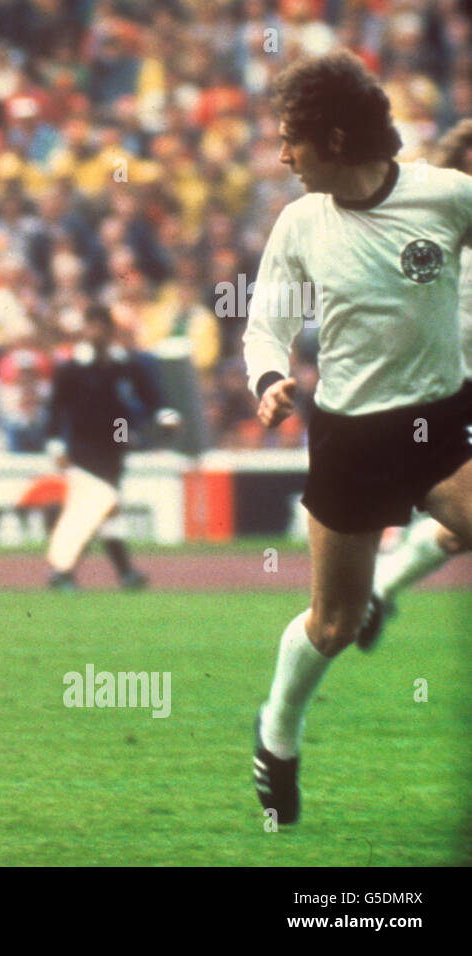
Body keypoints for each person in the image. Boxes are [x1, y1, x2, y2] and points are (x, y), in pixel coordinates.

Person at [244, 54, 472, 825]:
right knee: (335, 623)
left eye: (290, 140)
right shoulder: (301, 223)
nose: (281, 156)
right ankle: (277, 733)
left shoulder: (446, 198)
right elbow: (266, 323)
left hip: (444, 425)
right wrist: (268, 377)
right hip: (350, 440)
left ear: (335, 140)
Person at [357, 118, 472, 649]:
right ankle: (377, 586)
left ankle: (380, 587)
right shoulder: (435, 240)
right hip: (450, 395)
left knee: (457, 531)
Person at [43, 304, 179, 590]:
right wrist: (55, 444)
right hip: (81, 448)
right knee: (95, 508)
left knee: (101, 510)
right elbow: (56, 408)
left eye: (100, 326)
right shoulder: (72, 368)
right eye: (90, 326)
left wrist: (166, 416)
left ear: (108, 330)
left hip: (113, 446)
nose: (95, 332)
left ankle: (72, 573)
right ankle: (115, 572)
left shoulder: (126, 366)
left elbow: (153, 398)